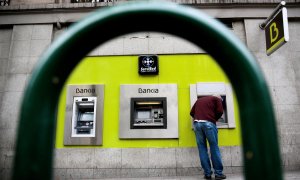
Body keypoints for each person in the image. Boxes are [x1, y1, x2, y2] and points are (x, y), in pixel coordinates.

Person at [190, 95, 226, 180]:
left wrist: (199, 118)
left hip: (197, 124)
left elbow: (191, 112)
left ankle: (207, 174)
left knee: (202, 149)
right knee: (214, 148)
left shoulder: (199, 100)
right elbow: (220, 111)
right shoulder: (218, 99)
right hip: (209, 123)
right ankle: (218, 173)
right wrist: (214, 119)